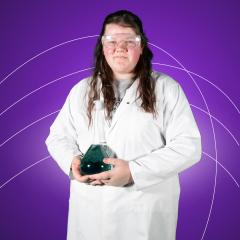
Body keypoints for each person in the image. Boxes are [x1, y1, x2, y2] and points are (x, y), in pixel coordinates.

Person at [45, 10, 202, 240]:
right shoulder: (82, 90)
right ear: (102, 46)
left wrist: (133, 172)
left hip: (142, 213)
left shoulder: (167, 89)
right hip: (90, 212)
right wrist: (73, 162)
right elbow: (57, 137)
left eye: (130, 41)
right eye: (112, 41)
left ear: (142, 47)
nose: (120, 47)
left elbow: (189, 147)